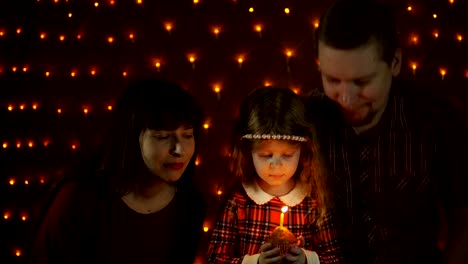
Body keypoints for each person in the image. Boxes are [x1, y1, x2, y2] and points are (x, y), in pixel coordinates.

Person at [305, 0, 468, 263]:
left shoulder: (436, 121)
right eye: (333, 80)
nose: (345, 98)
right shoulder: (302, 123)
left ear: (394, 62)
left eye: (362, 81)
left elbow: (464, 219)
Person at [29, 79, 206, 263]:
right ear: (131, 138)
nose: (180, 150)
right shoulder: (80, 199)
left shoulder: (190, 204)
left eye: (187, 135)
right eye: (162, 137)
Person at [207, 87, 343, 264]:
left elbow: (336, 259)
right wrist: (255, 262)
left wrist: (307, 260)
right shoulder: (239, 202)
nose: (277, 165)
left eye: (287, 155)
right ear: (249, 152)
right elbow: (214, 259)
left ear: (302, 151)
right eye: (266, 155)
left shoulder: (313, 203)